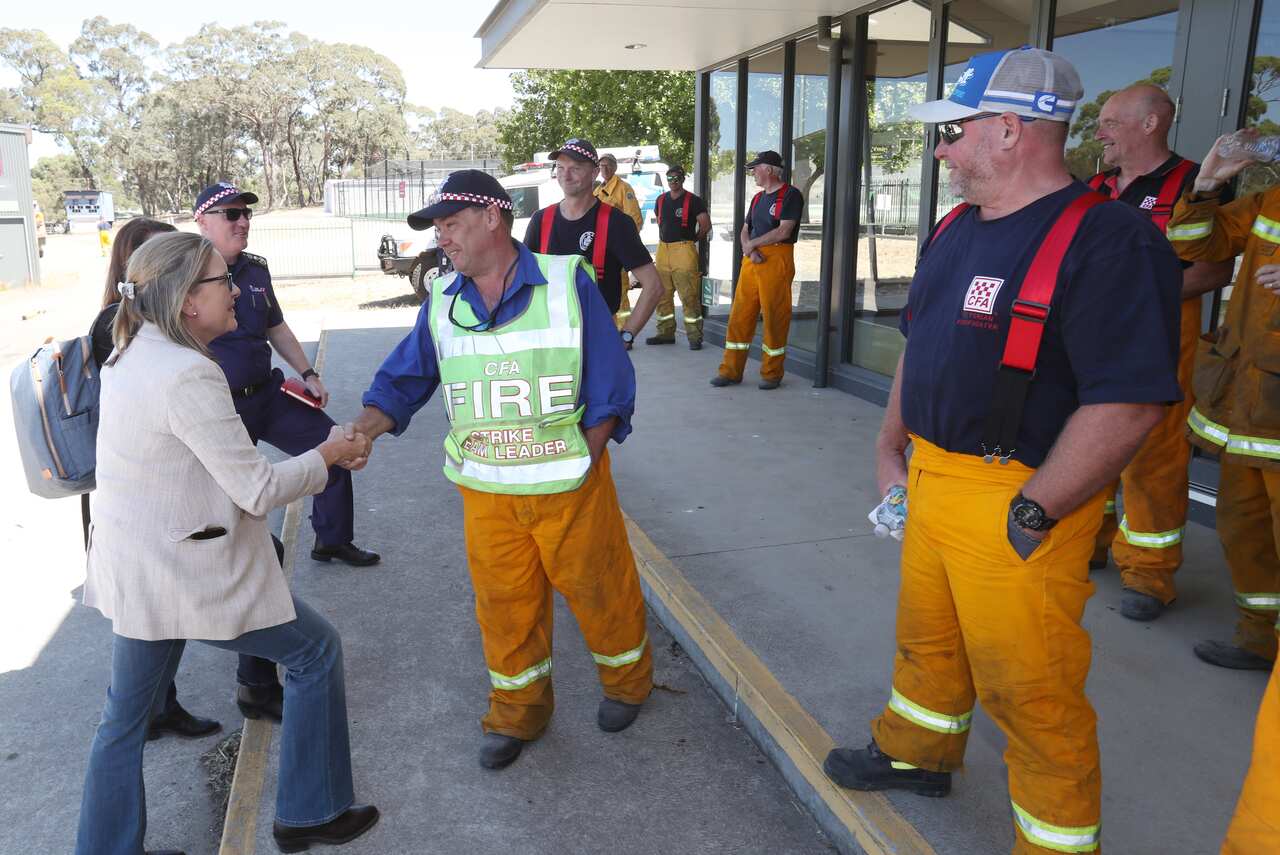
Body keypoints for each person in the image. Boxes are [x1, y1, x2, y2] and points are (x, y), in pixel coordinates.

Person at [822, 47, 1183, 855]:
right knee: (928, 642)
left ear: (1012, 131)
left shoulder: (1110, 242)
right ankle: (919, 747)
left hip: (1017, 496)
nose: (940, 150)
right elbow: (920, 341)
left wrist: (1035, 509)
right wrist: (892, 445)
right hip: (935, 481)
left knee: (1033, 695)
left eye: (952, 132)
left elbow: (1129, 402)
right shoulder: (956, 228)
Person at [75, 231, 378, 855]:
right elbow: (258, 488)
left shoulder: (132, 349)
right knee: (315, 651)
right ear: (188, 299)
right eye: (221, 281)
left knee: (122, 722)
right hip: (181, 569)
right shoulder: (189, 372)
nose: (236, 290)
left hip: (139, 567)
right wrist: (331, 454)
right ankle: (310, 810)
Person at [353, 170, 653, 771]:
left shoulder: (569, 282)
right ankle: (518, 711)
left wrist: (583, 459)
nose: (443, 239)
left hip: (571, 489)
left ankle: (628, 683)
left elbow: (611, 385)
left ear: (493, 218)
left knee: (601, 590)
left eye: (451, 224)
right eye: (437, 229)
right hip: (488, 495)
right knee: (503, 606)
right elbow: (404, 379)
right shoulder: (441, 298)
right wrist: (363, 430)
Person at [193, 183, 380, 723]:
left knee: (335, 450)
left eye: (246, 213)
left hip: (267, 395)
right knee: (240, 528)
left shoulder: (253, 271)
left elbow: (274, 324)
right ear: (202, 220)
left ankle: (332, 540)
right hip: (219, 412)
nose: (242, 221)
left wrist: (309, 371)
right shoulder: (184, 275)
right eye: (231, 213)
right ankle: (246, 675)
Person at [1084, 84, 1235, 621]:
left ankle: (1149, 575)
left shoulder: (1196, 183)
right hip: (1092, 340)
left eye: (1109, 122)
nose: (1098, 131)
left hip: (1160, 339)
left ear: (1150, 124)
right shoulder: (1097, 185)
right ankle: (1090, 542)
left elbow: (1215, 269)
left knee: (1153, 455)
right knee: (1086, 443)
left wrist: (1134, 293)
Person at [83, 216, 233, 744]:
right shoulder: (126, 334)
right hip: (145, 514)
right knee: (312, 649)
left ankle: (158, 707)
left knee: (127, 701)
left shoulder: (143, 338)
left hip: (142, 517)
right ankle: (173, 704)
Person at [1165, 132, 1280, 671]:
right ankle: (1259, 640)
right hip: (1251, 408)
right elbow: (1193, 245)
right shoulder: (1269, 201)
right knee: (1242, 525)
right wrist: (1208, 182)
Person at [523, 139, 663, 349]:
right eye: (560, 168)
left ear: (594, 173)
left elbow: (654, 286)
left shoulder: (616, 223)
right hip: (549, 342)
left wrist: (626, 335)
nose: (565, 175)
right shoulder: (540, 221)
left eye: (575, 168)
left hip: (597, 341)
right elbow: (521, 282)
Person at [710, 150, 803, 390]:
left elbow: (784, 231)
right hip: (753, 258)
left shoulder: (790, 195)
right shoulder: (757, 199)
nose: (753, 173)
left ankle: (772, 373)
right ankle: (730, 370)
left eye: (756, 168)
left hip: (777, 258)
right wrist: (749, 248)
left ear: (770, 170)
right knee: (740, 315)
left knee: (774, 316)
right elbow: (745, 229)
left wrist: (753, 245)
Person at [646, 165, 711, 349]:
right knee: (662, 295)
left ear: (682, 179)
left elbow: (705, 225)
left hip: (684, 249)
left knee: (689, 295)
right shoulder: (660, 200)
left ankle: (694, 337)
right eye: (669, 178)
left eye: (676, 178)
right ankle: (665, 333)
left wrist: (692, 240)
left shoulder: (694, 201)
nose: (673, 182)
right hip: (663, 249)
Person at [594, 153, 645, 329]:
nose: (605, 169)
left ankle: (623, 333)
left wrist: (624, 249)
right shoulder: (597, 190)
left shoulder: (624, 189)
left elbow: (635, 220)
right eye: (601, 166)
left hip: (616, 253)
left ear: (615, 167)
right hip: (599, 253)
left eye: (608, 165)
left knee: (620, 294)